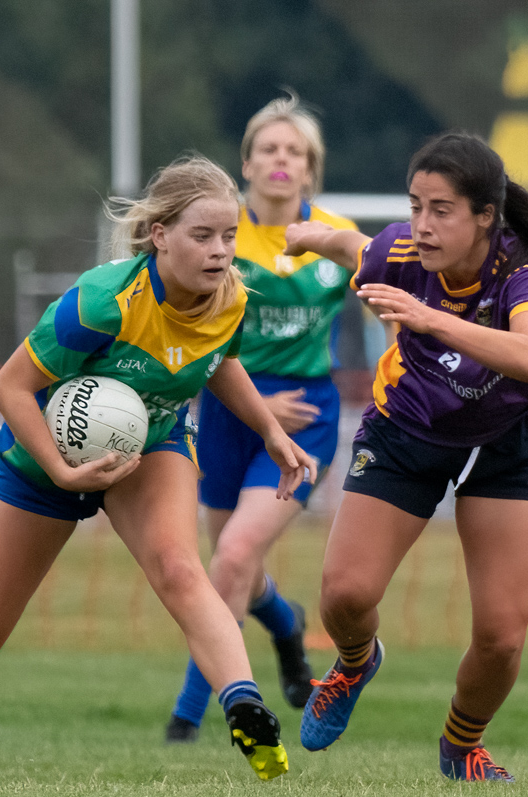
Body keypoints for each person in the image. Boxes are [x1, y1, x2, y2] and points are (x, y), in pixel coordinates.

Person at [0, 156, 318, 784]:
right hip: (42, 464)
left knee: (181, 570)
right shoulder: (103, 302)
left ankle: (244, 705)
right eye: (202, 236)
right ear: (160, 234)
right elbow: (10, 387)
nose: (220, 251)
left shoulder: (230, 295)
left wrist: (269, 429)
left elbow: (217, 361)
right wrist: (62, 470)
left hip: (150, 448)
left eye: (230, 235)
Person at [283, 132, 528, 782]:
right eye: (416, 206)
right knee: (345, 595)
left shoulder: (527, 272)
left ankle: (461, 742)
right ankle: (355, 660)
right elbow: (353, 246)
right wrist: (302, 236)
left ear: (485, 216)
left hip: (510, 440)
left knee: (501, 637)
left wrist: (429, 317)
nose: (423, 224)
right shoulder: (401, 250)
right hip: (409, 424)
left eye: (441, 209)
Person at [164, 94, 358, 743]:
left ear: (310, 170)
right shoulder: (218, 234)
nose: (281, 159)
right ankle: (284, 623)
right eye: (268, 149)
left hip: (304, 413)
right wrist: (245, 399)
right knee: (233, 564)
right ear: (245, 165)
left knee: (236, 553)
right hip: (223, 406)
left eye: (294, 152)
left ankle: (189, 717)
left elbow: (397, 309)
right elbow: (187, 330)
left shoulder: (337, 235)